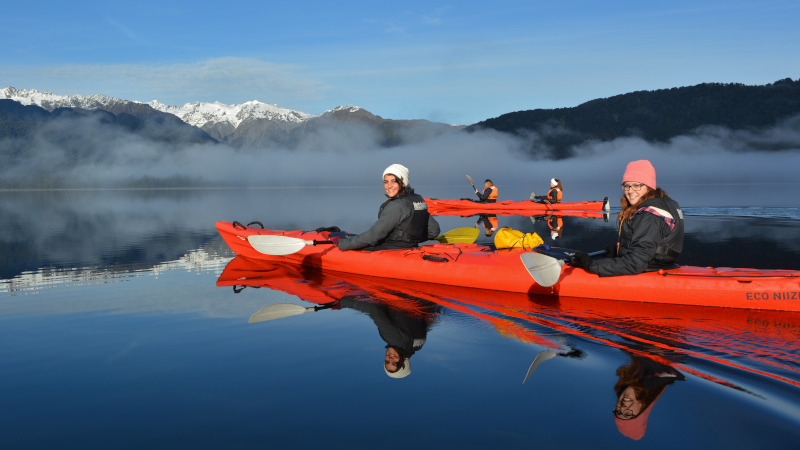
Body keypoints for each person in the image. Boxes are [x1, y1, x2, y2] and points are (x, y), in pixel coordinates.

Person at [571, 160, 684, 276]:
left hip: (649, 270)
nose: (630, 191)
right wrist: (618, 252)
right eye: (626, 186)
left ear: (649, 186)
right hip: (660, 265)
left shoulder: (650, 216)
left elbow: (636, 262)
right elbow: (648, 246)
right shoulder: (662, 203)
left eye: (636, 185)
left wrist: (592, 266)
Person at [336, 164, 440, 251]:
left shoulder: (397, 205)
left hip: (391, 249)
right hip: (411, 248)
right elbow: (434, 231)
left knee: (355, 244)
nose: (389, 186)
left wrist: (342, 245)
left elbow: (374, 235)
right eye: (386, 182)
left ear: (403, 183)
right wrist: (412, 240)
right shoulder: (418, 200)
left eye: (393, 181)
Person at [338, 295, 441, 379]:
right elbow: (374, 309)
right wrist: (342, 303)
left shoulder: (419, 345)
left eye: (387, 361)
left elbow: (429, 319)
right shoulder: (394, 339)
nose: (390, 358)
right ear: (403, 363)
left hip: (424, 299)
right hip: (402, 294)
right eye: (394, 363)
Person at [613, 354, 685, 440]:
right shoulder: (657, 375)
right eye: (628, 414)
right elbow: (676, 376)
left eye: (618, 411)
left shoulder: (636, 373)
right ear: (642, 407)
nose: (622, 408)